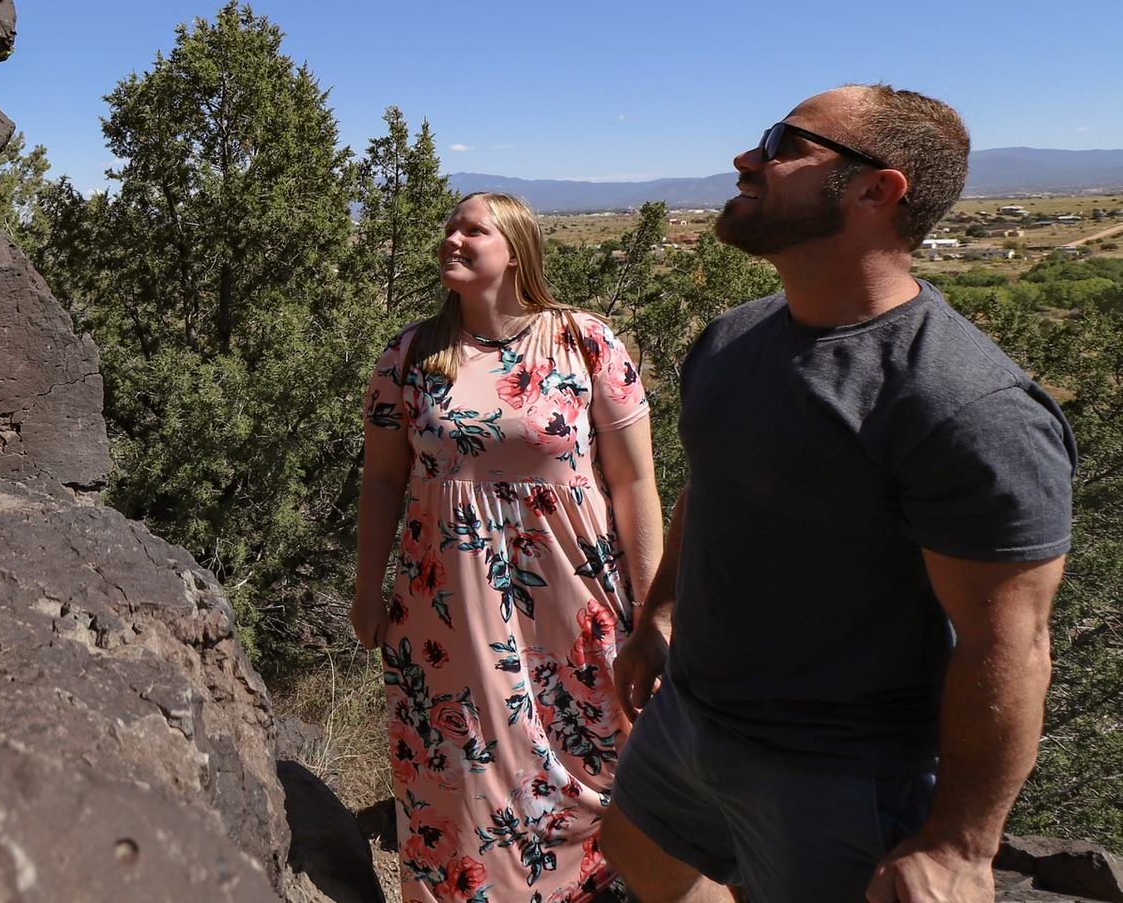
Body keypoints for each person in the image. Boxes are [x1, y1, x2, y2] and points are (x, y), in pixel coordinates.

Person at [600, 86, 1077, 903]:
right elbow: (713, 488)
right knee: (637, 854)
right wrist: (661, 617)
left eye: (786, 143)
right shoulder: (732, 339)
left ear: (874, 191)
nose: (749, 159)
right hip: (692, 716)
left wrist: (961, 845)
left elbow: (1011, 643)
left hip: (841, 770)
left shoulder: (962, 405)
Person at [354, 191, 666, 903]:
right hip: (446, 609)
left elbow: (636, 480)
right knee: (462, 769)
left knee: (597, 758)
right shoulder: (410, 355)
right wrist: (366, 590)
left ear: (517, 248)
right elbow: (380, 479)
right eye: (448, 229)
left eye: (473, 229)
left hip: (575, 599)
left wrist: (653, 609)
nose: (452, 240)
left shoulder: (584, 342)